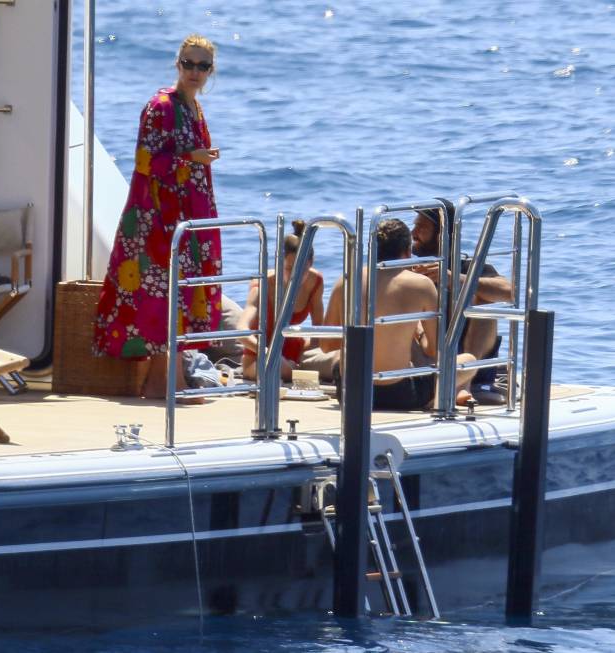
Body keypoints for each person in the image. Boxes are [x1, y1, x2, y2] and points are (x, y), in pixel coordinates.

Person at [93, 34, 223, 401]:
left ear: (211, 71)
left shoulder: (193, 108)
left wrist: (197, 160)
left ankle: (170, 379)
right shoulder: (161, 105)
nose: (195, 72)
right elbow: (146, 161)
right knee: (161, 296)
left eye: (203, 66)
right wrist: (190, 158)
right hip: (157, 219)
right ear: (177, 63)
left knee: (179, 294)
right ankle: (165, 383)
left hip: (186, 217)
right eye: (189, 63)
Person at [322, 219, 477, 410]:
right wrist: (416, 329)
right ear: (407, 252)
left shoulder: (346, 280)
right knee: (469, 361)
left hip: (350, 392)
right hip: (399, 394)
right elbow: (436, 350)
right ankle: (451, 395)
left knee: (343, 361)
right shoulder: (421, 285)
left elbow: (326, 344)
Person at [410, 208, 513, 403]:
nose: (413, 233)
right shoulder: (412, 272)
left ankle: (463, 380)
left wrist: (455, 279)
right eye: (414, 226)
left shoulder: (469, 268)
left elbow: (509, 292)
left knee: (483, 301)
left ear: (442, 235)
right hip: (428, 357)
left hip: (474, 363)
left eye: (421, 227)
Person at [237, 220, 337, 382]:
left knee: (341, 359)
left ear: (310, 264)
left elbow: (318, 329)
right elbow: (241, 330)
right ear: (279, 263)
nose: (295, 276)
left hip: (297, 353)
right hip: (259, 356)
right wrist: (270, 353)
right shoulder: (261, 285)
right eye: (289, 268)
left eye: (302, 269)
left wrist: (314, 353)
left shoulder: (315, 281)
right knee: (279, 368)